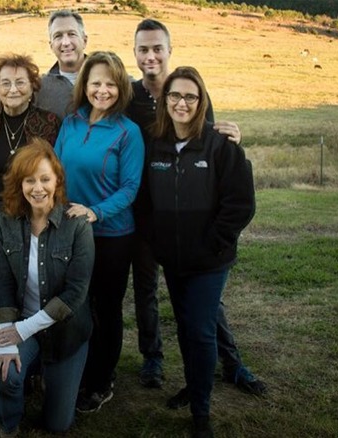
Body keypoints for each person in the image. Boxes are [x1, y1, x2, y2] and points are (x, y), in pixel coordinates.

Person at [127, 19, 266, 399]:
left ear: (169, 51)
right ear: (135, 53)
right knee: (146, 288)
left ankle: (232, 362)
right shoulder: (129, 95)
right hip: (148, 212)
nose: (150, 55)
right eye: (143, 49)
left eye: (157, 48)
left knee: (204, 302)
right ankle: (152, 358)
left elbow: (212, 143)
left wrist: (236, 138)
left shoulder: (187, 88)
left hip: (192, 218)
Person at [145, 66, 256, 438]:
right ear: (165, 100)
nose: (181, 103)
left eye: (190, 96)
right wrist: (157, 242)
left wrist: (213, 244)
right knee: (185, 327)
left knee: (201, 329)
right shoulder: (155, 144)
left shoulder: (220, 144)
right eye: (175, 95)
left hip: (209, 261)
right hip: (173, 260)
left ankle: (201, 413)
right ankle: (194, 386)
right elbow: (145, 200)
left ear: (201, 101)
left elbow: (240, 204)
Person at [0, 53, 60, 394]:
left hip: (32, 217)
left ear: (33, 87)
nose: (13, 88)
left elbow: (54, 177)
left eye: (20, 82)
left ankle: (32, 366)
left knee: (32, 294)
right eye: (5, 83)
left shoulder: (49, 123)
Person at [53, 51, 144, 413]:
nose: (102, 90)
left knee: (106, 310)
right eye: (95, 83)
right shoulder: (71, 123)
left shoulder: (128, 132)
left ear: (120, 87)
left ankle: (101, 381)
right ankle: (73, 370)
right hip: (71, 234)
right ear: (84, 85)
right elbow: (57, 172)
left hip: (112, 237)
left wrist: (95, 212)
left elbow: (130, 187)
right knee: (75, 306)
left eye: (110, 84)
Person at [0, 139, 94, 437]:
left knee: (57, 424)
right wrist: (8, 338)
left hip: (66, 332)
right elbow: (3, 285)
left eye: (45, 179)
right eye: (29, 180)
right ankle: (8, 427)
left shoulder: (78, 225)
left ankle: (47, 376)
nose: (38, 188)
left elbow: (75, 293)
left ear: (57, 180)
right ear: (18, 183)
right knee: (3, 373)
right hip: (22, 322)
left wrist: (23, 330)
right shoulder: (5, 222)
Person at [36, 9, 88, 118]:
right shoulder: (40, 88)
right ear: (51, 46)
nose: (65, 43)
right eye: (58, 36)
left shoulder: (108, 79)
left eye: (72, 34)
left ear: (84, 40)